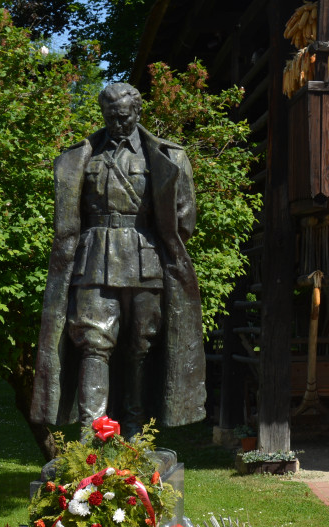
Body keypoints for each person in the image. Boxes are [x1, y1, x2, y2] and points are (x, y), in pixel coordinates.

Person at [30, 82, 206, 434]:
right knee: (94, 342)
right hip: (92, 260)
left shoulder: (167, 157)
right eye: (110, 116)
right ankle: (91, 432)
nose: (117, 123)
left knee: (141, 345)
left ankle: (135, 430)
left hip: (145, 262)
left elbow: (184, 219)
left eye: (123, 117)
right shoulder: (82, 155)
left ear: (137, 113)